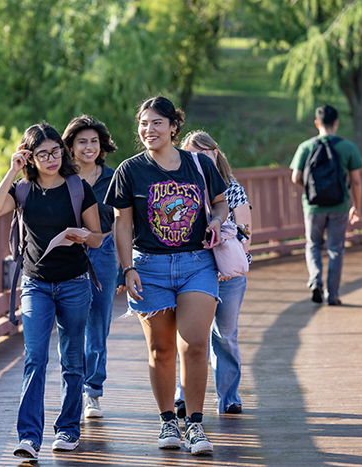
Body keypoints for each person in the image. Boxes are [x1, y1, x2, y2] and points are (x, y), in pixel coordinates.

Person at [105, 96, 228, 455]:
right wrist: (127, 269)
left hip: (196, 264)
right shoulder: (130, 170)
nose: (148, 130)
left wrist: (217, 221)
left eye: (157, 123)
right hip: (149, 267)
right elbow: (122, 224)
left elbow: (220, 201)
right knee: (161, 349)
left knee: (194, 345)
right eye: (143, 123)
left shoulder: (198, 164)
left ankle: (195, 425)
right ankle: (166, 421)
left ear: (174, 127)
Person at [0, 123, 103, 461]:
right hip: (35, 284)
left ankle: (67, 429)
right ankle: (29, 437)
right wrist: (11, 171)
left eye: (55, 152)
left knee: (72, 358)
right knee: (35, 357)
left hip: (75, 283)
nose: (51, 159)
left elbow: (98, 236)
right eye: (42, 154)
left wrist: (83, 236)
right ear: (29, 157)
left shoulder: (78, 188)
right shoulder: (22, 190)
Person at [176, 130, 252, 416]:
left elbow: (246, 233)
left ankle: (229, 396)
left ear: (216, 154)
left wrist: (227, 253)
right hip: (192, 271)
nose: (201, 158)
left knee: (225, 335)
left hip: (227, 275)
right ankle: (182, 396)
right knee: (191, 336)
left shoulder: (232, 188)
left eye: (206, 152)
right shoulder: (180, 188)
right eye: (193, 153)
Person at [62, 115, 119, 419]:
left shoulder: (114, 178)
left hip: (106, 252)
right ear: (70, 145)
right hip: (72, 254)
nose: (89, 147)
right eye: (82, 141)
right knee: (73, 324)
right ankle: (73, 388)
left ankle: (92, 392)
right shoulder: (62, 178)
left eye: (94, 141)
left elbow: (125, 224)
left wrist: (124, 266)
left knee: (99, 324)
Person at [289, 104, 362, 306]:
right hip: (339, 205)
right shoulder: (348, 148)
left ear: (317, 123)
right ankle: (333, 295)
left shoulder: (306, 147)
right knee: (335, 249)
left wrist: (312, 190)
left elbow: (295, 176)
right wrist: (355, 205)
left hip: (313, 207)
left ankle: (315, 281)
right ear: (336, 123)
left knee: (313, 245)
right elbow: (355, 181)